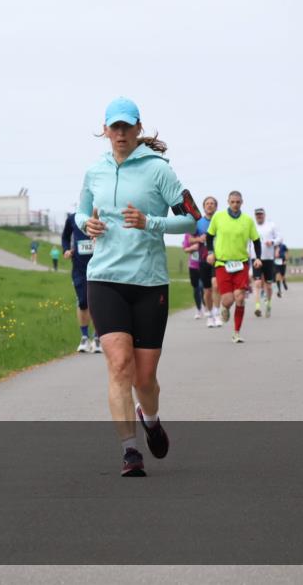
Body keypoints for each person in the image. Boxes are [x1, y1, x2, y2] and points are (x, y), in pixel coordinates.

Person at [77, 97, 198, 477]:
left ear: (139, 129)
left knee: (145, 378)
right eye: (115, 127)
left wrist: (151, 223)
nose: (121, 134)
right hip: (105, 278)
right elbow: (80, 211)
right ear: (106, 129)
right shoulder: (94, 171)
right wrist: (86, 224)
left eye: (127, 127)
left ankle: (152, 419)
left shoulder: (159, 171)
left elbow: (192, 221)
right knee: (119, 365)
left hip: (148, 282)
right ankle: (130, 452)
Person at [205, 191, 262, 344]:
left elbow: (256, 240)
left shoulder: (247, 220)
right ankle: (224, 307)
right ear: (228, 202)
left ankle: (236, 332)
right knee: (228, 299)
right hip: (222, 264)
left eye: (238, 202)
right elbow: (209, 236)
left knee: (240, 298)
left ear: (242, 202)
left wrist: (258, 258)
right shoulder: (219, 217)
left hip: (241, 263)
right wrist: (210, 252)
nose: (235, 204)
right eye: (233, 202)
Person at [62, 212, 100, 353]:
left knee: (97, 302)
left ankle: (97, 338)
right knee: (83, 301)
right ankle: (84, 337)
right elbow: (65, 236)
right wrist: (66, 250)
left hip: (100, 267)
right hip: (79, 268)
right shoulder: (73, 218)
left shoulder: (102, 216)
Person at [195, 196, 222, 327]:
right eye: (207, 203)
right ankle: (210, 314)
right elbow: (189, 239)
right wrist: (199, 239)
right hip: (203, 258)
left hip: (219, 258)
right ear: (204, 206)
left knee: (216, 285)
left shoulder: (221, 221)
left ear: (216, 206)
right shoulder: (198, 222)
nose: (210, 205)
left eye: (212, 203)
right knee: (207, 291)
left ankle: (217, 313)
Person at [252, 208, 282, 318]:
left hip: (268, 258)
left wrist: (273, 242)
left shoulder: (271, 225)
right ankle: (257, 307)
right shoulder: (252, 225)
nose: (259, 216)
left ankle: (268, 304)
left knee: (268, 285)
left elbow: (280, 238)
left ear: (264, 215)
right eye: (257, 215)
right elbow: (246, 240)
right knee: (257, 283)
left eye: (261, 214)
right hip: (255, 258)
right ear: (255, 216)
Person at [182, 231, 205, 318]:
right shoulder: (188, 234)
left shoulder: (202, 233)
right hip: (193, 266)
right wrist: (193, 248)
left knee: (203, 287)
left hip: (203, 264)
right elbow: (185, 249)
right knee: (196, 289)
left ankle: (206, 307)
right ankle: (198, 309)